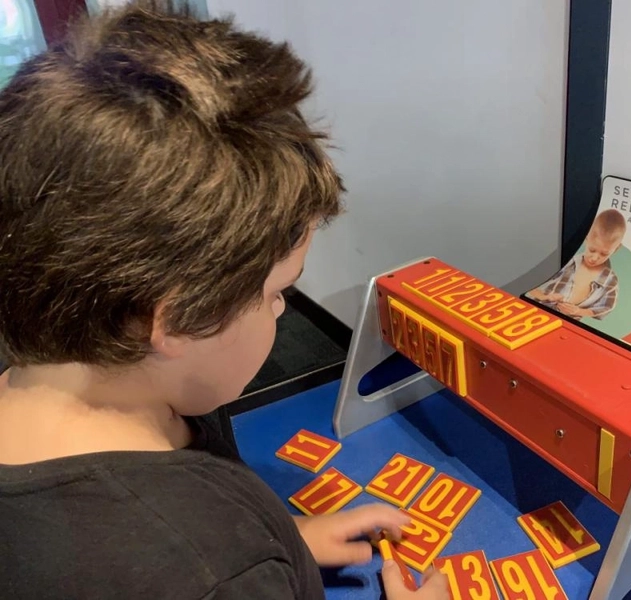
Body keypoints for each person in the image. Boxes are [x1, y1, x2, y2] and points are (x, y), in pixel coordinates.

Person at [0, 2, 448, 598]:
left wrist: (284, 538)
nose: (283, 311)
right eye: (275, 293)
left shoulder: (72, 367)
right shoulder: (212, 573)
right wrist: (247, 555)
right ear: (176, 321)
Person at [525, 209, 626, 320]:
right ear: (586, 238)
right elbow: (526, 281)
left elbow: (606, 307)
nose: (595, 258)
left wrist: (579, 311)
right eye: (592, 250)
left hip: (568, 324)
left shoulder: (610, 280)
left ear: (616, 249)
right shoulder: (566, 260)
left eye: (604, 254)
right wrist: (545, 297)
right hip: (537, 311)